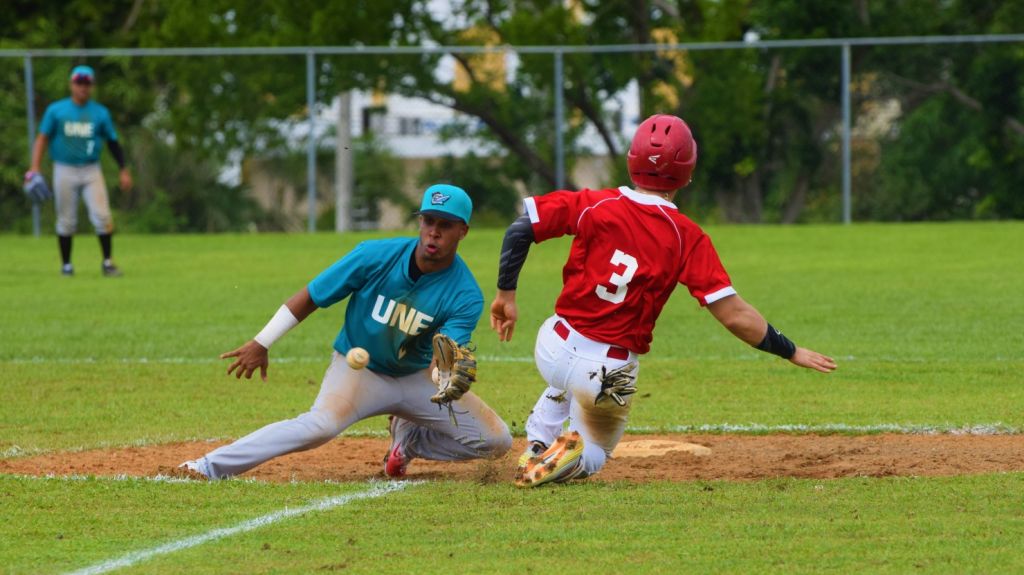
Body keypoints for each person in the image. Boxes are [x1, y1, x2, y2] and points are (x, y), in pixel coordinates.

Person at [489, 114, 837, 488]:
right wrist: (789, 350)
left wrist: (506, 294)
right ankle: (570, 453)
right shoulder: (686, 236)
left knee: (562, 382)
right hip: (609, 371)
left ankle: (538, 443)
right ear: (687, 173)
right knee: (595, 453)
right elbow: (734, 315)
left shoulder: (595, 203)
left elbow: (521, 227)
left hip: (553, 346)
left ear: (630, 159)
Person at [178, 184, 512, 480]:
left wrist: (445, 372)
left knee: (496, 441)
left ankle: (410, 441)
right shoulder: (374, 255)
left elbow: (444, 354)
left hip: (415, 378)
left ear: (463, 231)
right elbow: (311, 296)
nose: (433, 232)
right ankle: (207, 467)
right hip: (358, 371)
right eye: (428, 221)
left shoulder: (465, 294)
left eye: (445, 225)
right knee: (319, 426)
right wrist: (261, 342)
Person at [27, 65, 132, 277]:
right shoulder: (57, 111)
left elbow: (113, 143)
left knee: (102, 216)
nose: (83, 87)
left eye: (87, 83)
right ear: (71, 84)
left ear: (91, 86)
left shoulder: (100, 113)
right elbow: (42, 139)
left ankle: (107, 263)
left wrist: (123, 169)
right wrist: (34, 167)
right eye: (79, 82)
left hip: (91, 169)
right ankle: (66, 265)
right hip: (64, 168)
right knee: (66, 220)